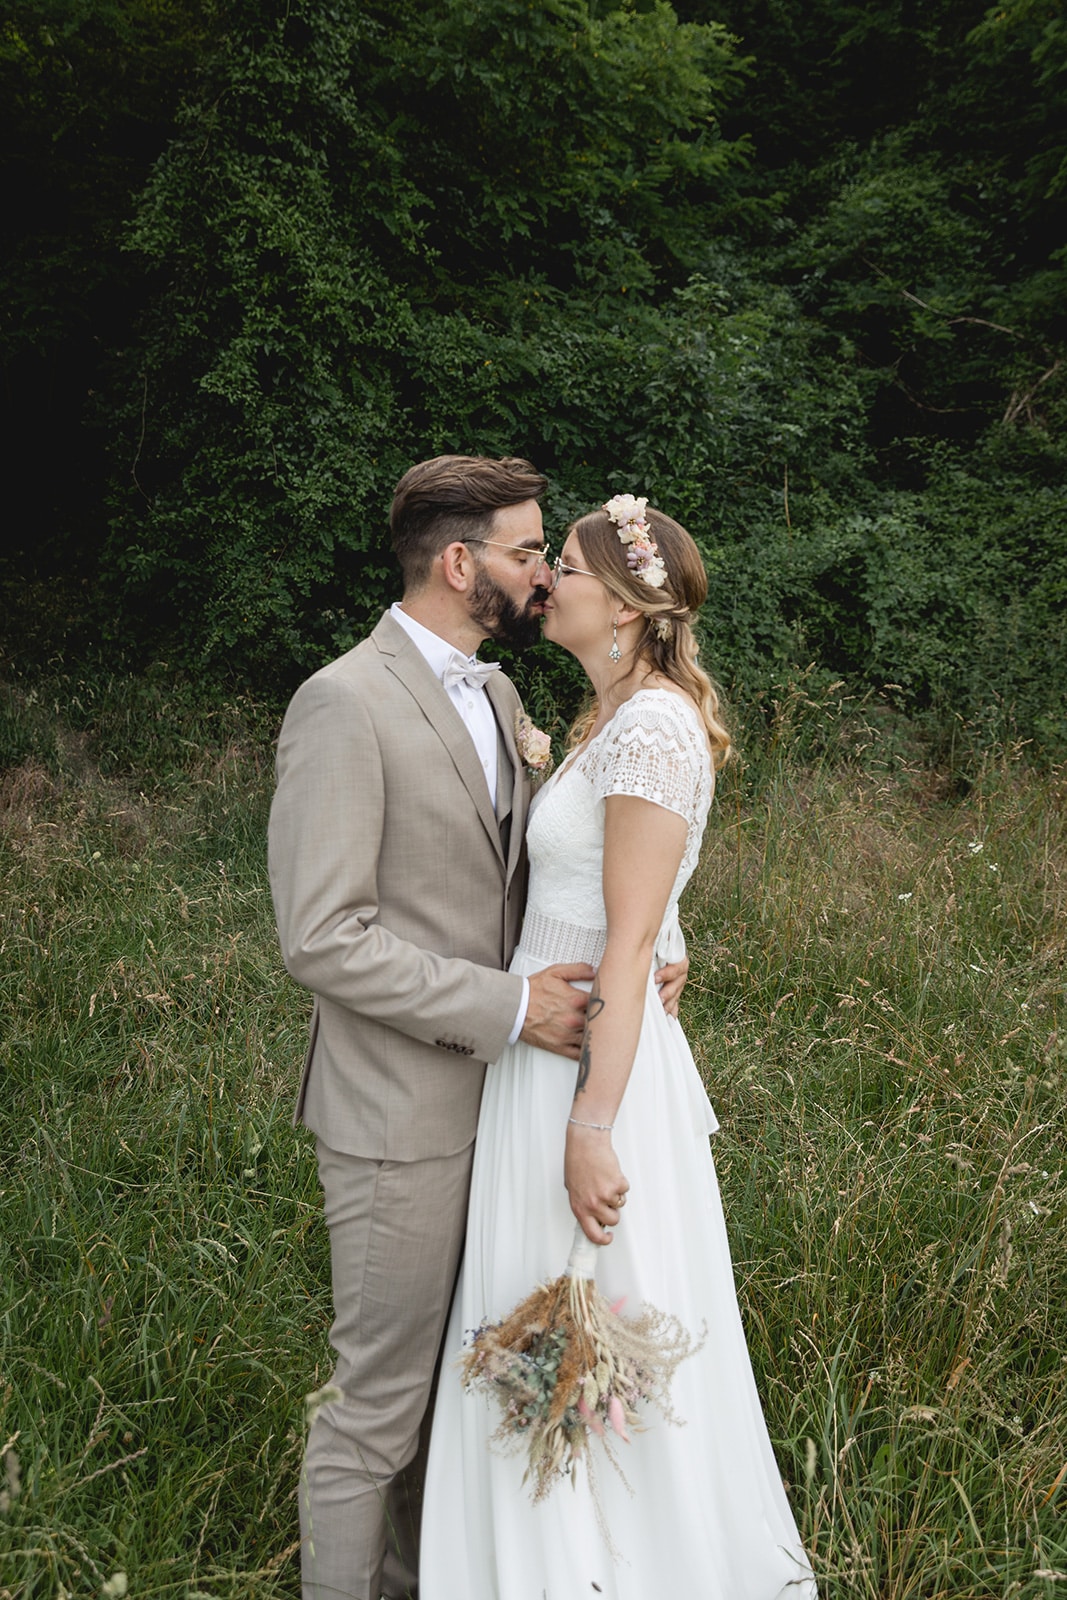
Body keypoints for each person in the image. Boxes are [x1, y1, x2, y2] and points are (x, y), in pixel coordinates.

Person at [267, 457, 688, 1600]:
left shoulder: (502, 697)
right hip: (397, 1110)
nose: (540, 578)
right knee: (377, 1409)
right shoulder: (343, 701)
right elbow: (320, 935)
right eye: (523, 553)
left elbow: (540, 879)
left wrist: (652, 938)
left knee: (463, 1391)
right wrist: (509, 1006)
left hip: (506, 1108)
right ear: (462, 565)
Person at [420, 496, 819, 1598]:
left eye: (572, 567)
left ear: (631, 606)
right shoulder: (607, 718)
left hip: (589, 1075)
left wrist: (589, 1125)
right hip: (543, 1055)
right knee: (535, 1330)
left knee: (589, 1332)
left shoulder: (648, 724)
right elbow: (633, 907)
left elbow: (632, 940)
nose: (549, 579)